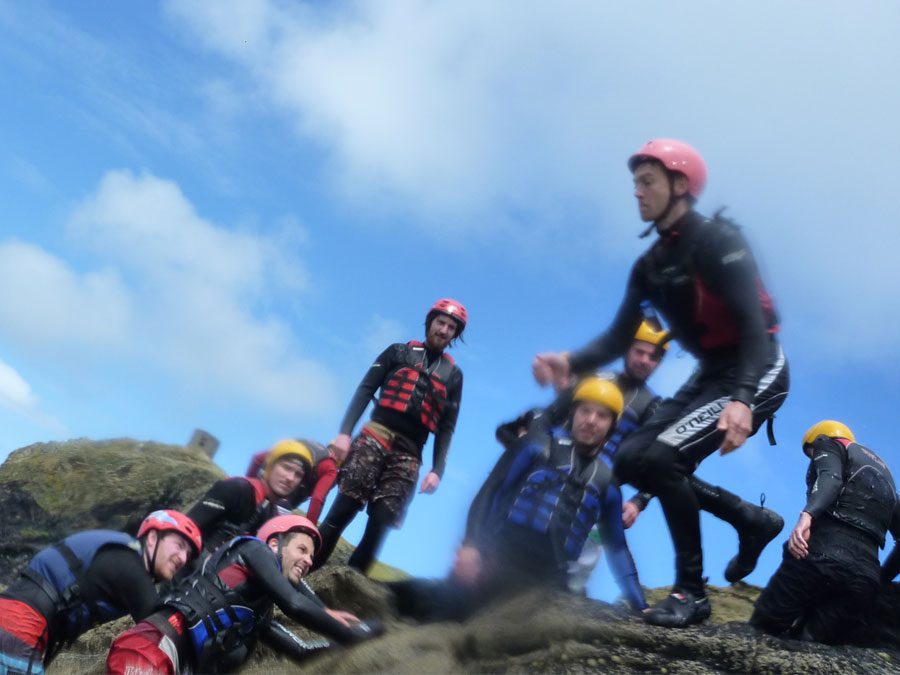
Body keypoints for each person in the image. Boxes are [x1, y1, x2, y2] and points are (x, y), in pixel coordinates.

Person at [533, 138, 789, 627]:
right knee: (631, 458)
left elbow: (755, 328)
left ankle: (691, 592)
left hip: (758, 366)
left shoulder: (719, 242)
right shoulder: (649, 266)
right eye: (634, 183)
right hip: (711, 372)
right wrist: (569, 359)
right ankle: (749, 520)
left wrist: (743, 399)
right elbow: (618, 335)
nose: (637, 192)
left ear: (680, 185)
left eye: (647, 182)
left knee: (662, 455)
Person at [391, 377, 647, 622]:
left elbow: (617, 549)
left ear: (612, 426)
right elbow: (491, 490)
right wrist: (471, 545)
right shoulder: (535, 446)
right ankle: (385, 602)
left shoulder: (607, 486)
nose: (591, 420)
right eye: (585, 411)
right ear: (573, 414)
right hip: (499, 557)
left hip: (548, 579)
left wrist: (641, 606)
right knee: (442, 609)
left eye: (601, 415)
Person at [106, 515, 381, 674]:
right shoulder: (253, 550)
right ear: (275, 543)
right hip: (150, 647)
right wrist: (349, 633)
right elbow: (294, 602)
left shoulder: (259, 614)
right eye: (302, 549)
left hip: (172, 665)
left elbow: (302, 651)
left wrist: (371, 633)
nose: (309, 561)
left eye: (311, 556)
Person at [315, 299, 466, 573]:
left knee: (381, 522)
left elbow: (447, 427)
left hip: (410, 452)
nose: (444, 330)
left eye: (451, 327)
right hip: (376, 434)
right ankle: (305, 573)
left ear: (455, 334)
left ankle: (342, 590)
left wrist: (438, 470)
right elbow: (365, 389)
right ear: (430, 322)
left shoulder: (454, 376)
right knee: (344, 508)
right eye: (440, 322)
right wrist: (344, 434)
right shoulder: (397, 352)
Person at [750, 421, 900, 644]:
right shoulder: (887, 479)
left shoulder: (829, 444)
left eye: (811, 455)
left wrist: (808, 515)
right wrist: (881, 579)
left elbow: (831, 477)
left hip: (817, 558)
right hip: (863, 582)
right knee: (812, 646)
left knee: (762, 632)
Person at [0, 510, 200, 674]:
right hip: (19, 627)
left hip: (16, 623)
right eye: (179, 545)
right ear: (153, 538)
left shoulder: (122, 555)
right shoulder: (128, 564)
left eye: (188, 554)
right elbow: (160, 629)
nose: (182, 558)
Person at [188, 439, 311, 554]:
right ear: (270, 466)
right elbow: (188, 527)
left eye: (298, 475)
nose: (290, 478)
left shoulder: (271, 515)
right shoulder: (237, 488)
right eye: (286, 467)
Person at [245, 439, 338, 523]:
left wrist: (249, 485)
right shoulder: (331, 467)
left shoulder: (299, 446)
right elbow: (317, 498)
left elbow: (257, 458)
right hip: (287, 498)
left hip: (264, 485)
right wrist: (309, 528)